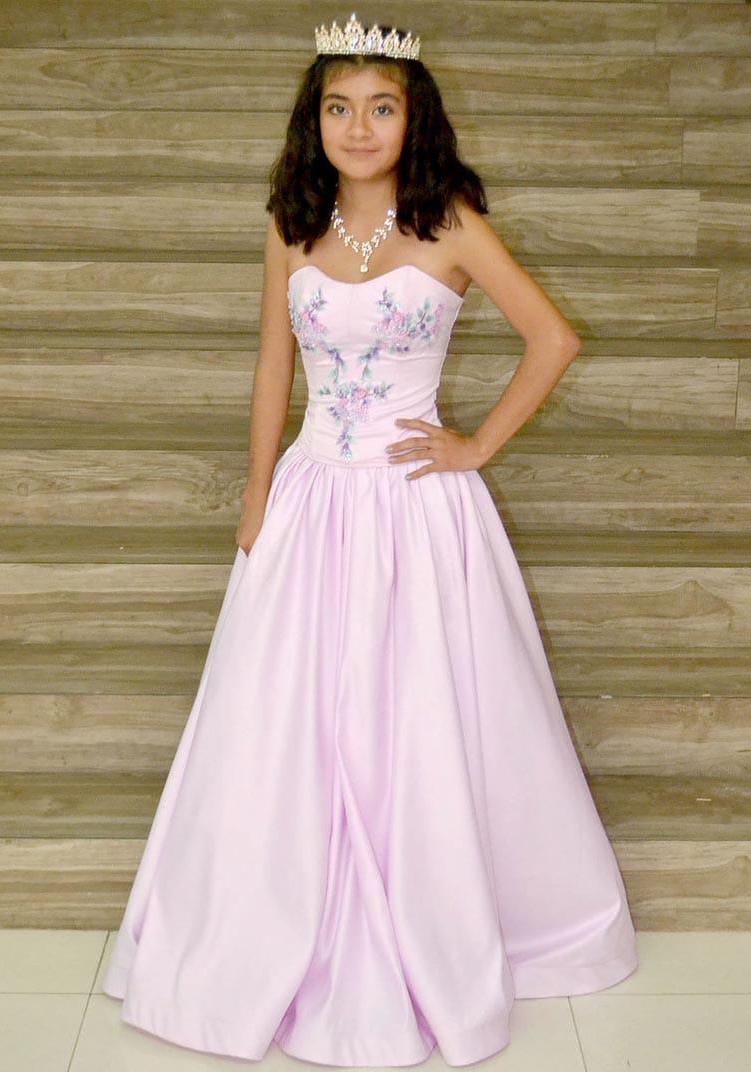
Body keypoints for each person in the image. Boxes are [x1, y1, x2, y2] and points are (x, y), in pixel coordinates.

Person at [102, 12, 639, 1066]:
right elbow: (274, 365)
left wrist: (473, 445)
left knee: (416, 706)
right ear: (314, 121)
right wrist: (259, 489)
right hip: (311, 498)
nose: (358, 127)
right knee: (286, 711)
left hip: (414, 508)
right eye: (339, 108)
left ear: (412, 118)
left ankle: (435, 910)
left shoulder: (450, 225)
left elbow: (552, 337)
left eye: (380, 108)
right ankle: (265, 919)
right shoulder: (291, 226)